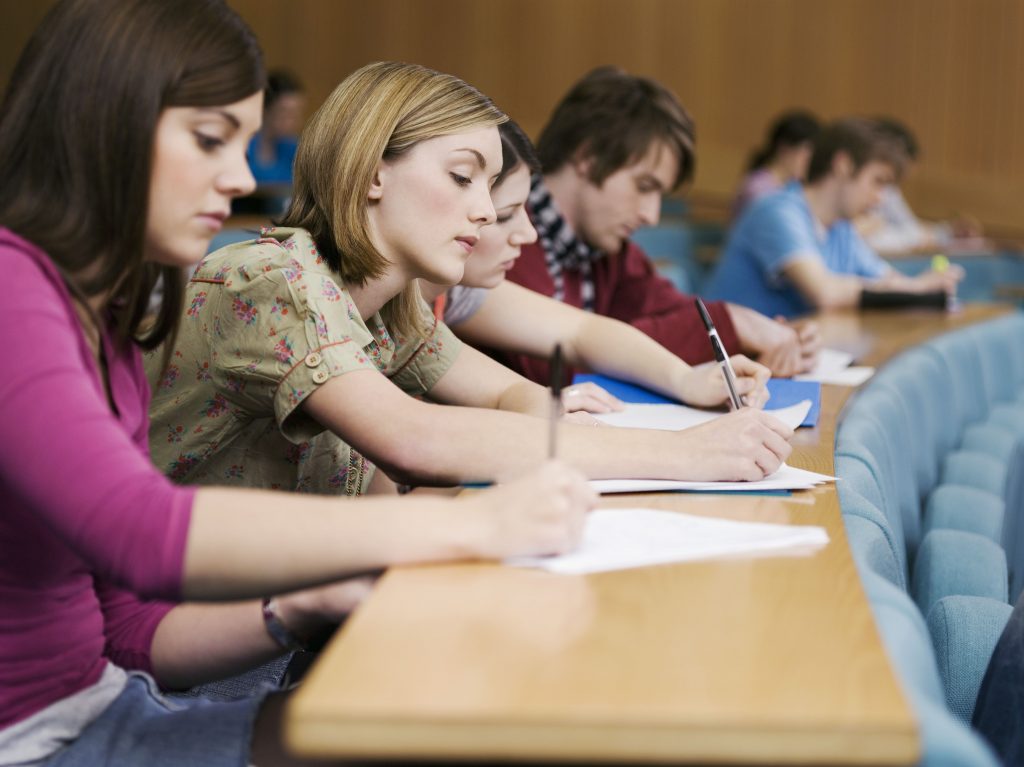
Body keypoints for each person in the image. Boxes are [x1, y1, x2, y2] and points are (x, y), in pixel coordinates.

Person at [0, 3, 596, 765]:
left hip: (109, 705)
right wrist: (467, 527)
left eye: (245, 144)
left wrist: (299, 606)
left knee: (448, 714)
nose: (243, 176)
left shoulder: (114, 318)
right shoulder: (14, 282)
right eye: (210, 139)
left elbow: (130, 630)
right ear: (103, 119)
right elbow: (140, 529)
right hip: (33, 741)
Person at [147, 61, 795, 501]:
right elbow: (416, 439)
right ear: (373, 171)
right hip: (190, 644)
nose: (486, 212)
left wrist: (549, 419)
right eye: (465, 177)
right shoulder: (278, 280)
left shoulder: (391, 308)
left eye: (492, 187)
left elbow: (516, 398)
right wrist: (691, 455)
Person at [420, 119, 772, 413]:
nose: (529, 234)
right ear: (377, 180)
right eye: (506, 216)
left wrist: (684, 379)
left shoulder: (452, 294)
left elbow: (582, 334)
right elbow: (409, 433)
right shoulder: (417, 299)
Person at [498, 66, 820, 387]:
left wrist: (760, 332)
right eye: (644, 185)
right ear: (588, 158)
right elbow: (548, 368)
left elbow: (678, 311)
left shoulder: (607, 251)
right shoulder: (503, 237)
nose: (651, 215)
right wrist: (734, 325)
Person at [704, 118, 964, 319]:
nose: (881, 198)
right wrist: (916, 289)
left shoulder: (841, 228)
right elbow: (824, 292)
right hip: (725, 365)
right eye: (878, 182)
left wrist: (922, 285)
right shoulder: (777, 211)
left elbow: (888, 280)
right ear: (843, 165)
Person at [858, 117, 985, 257]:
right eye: (879, 180)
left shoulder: (889, 191)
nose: (879, 197)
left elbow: (909, 225)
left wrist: (947, 231)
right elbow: (873, 240)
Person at [733, 110, 820, 219]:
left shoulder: (793, 188)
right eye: (807, 152)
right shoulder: (758, 188)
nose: (810, 161)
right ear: (784, 148)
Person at [247, 68, 306, 185]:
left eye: (297, 114)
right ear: (264, 109)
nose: (294, 121)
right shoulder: (244, 147)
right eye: (286, 113)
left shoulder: (295, 150)